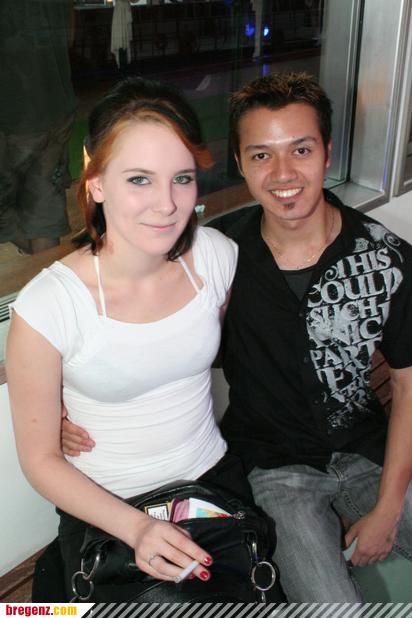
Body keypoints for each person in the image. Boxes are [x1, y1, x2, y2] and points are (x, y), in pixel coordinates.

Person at [63, 72, 412, 602]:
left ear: (328, 153)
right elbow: (122, 311)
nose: (283, 173)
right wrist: (63, 408)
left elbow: (407, 387)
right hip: (274, 467)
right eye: (261, 155)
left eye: (301, 149)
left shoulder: (385, 257)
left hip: (370, 451)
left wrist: (387, 509)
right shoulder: (213, 255)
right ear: (240, 163)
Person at [6, 77, 257, 600]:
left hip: (212, 482)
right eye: (139, 179)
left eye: (182, 178)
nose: (166, 204)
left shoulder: (215, 256)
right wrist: (137, 528)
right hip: (105, 507)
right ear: (96, 182)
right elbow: (40, 461)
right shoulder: (48, 306)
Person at [0, 0, 76, 254]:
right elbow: (68, 36)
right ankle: (45, 270)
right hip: (55, 107)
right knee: (44, 220)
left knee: (7, 213)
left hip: (11, 113)